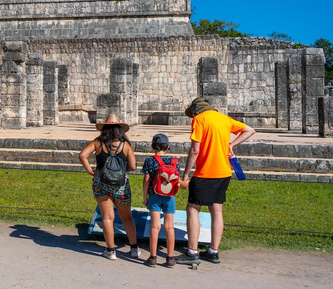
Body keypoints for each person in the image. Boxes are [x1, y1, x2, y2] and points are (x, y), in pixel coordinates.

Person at [176, 97, 256, 265]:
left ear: (196, 111)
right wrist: (231, 145)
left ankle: (192, 252)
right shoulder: (224, 119)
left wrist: (185, 173)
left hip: (205, 172)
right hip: (224, 172)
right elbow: (250, 130)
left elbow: (195, 150)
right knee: (217, 210)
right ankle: (213, 251)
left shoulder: (200, 119)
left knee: (192, 209)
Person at [79, 114, 139, 260]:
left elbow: (82, 155)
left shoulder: (98, 142)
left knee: (107, 217)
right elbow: (133, 166)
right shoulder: (125, 145)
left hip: (101, 182)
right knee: (127, 217)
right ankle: (134, 249)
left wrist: (90, 171)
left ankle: (111, 251)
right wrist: (121, 171)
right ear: (120, 129)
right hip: (121, 185)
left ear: (104, 127)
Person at [141, 133, 180, 267]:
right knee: (169, 226)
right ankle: (170, 257)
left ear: (152, 147)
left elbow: (146, 180)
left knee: (155, 226)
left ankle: (153, 257)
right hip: (170, 197)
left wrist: (145, 197)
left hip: (154, 196)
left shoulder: (150, 160)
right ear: (168, 147)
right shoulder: (175, 161)